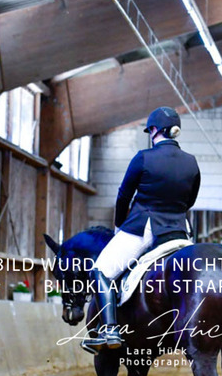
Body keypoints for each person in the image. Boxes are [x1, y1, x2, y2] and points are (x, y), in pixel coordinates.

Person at [84, 106, 201, 352]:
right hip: (180, 231)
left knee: (101, 270)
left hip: (145, 228)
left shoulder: (143, 157)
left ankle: (110, 329)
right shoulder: (191, 162)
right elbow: (190, 201)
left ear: (155, 130)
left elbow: (123, 196)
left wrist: (119, 226)